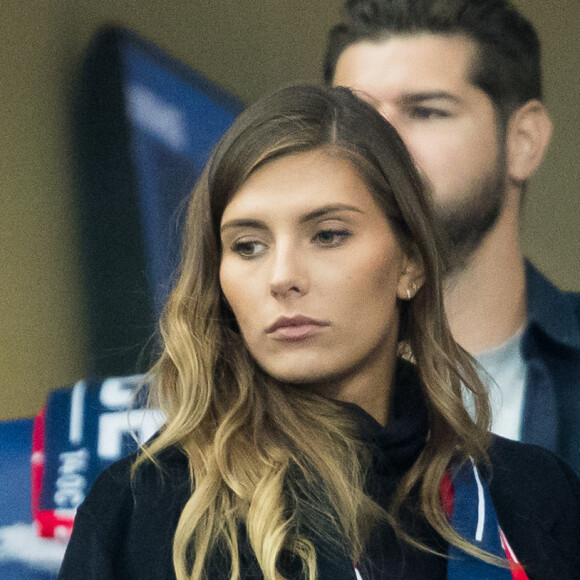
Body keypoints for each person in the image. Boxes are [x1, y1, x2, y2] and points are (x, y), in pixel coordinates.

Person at [58, 85, 579, 580]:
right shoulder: (144, 508)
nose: (283, 277)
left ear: (411, 263)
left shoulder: (533, 497)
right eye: (248, 245)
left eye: (328, 235)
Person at [324, 0, 580, 473]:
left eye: (426, 111)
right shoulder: (244, 387)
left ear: (524, 140)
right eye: (358, 117)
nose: (381, 143)